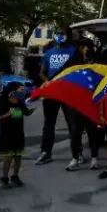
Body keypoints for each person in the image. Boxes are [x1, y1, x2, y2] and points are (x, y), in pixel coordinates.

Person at [35, 26, 78, 167]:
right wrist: (47, 80)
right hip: (51, 92)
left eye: (63, 33)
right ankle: (46, 152)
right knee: (49, 124)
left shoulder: (73, 50)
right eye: (58, 33)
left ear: (68, 35)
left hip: (68, 92)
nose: (60, 36)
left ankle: (77, 153)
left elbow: (78, 69)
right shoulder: (49, 53)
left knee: (72, 123)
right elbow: (42, 72)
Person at [70, 38, 103, 170]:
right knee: (75, 132)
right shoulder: (72, 61)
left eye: (87, 46)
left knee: (93, 131)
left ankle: (94, 159)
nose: (85, 49)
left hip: (92, 101)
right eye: (82, 46)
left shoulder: (97, 60)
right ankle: (75, 158)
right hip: (76, 102)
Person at [0, 82, 32, 188]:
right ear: (12, 91)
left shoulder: (20, 102)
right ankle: (4, 178)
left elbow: (25, 113)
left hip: (18, 133)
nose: (22, 92)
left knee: (18, 156)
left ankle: (15, 176)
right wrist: (7, 115)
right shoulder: (4, 103)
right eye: (20, 90)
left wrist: (29, 111)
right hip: (7, 133)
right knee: (8, 156)